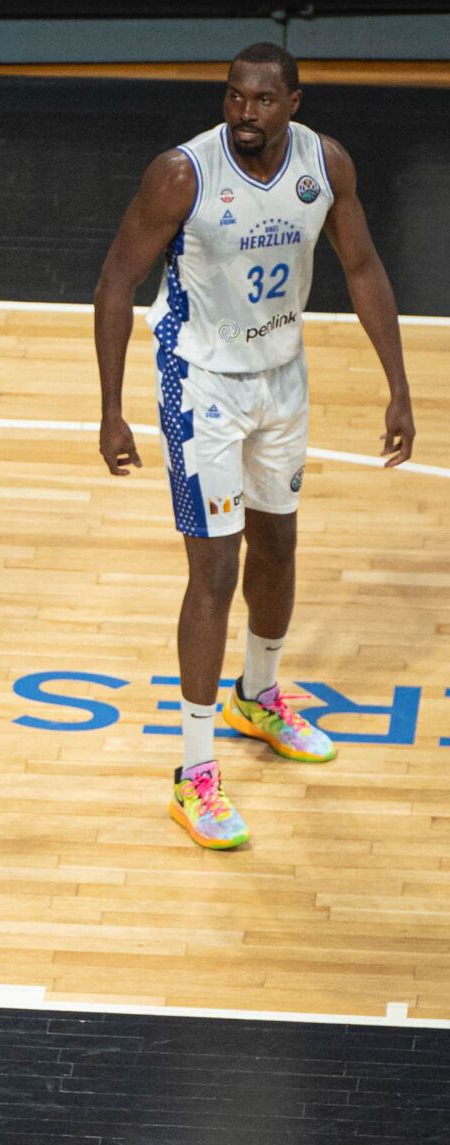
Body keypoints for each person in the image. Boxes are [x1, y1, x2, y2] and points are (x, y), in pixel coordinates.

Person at [92, 43, 415, 850]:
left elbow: (365, 266)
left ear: (294, 104)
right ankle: (194, 775)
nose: (245, 113)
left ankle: (257, 695)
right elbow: (114, 281)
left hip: (282, 376)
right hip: (202, 382)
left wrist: (399, 385)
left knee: (279, 541)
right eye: (235, 98)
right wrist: (111, 409)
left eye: (263, 101)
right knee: (215, 569)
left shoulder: (325, 165)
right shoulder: (183, 175)